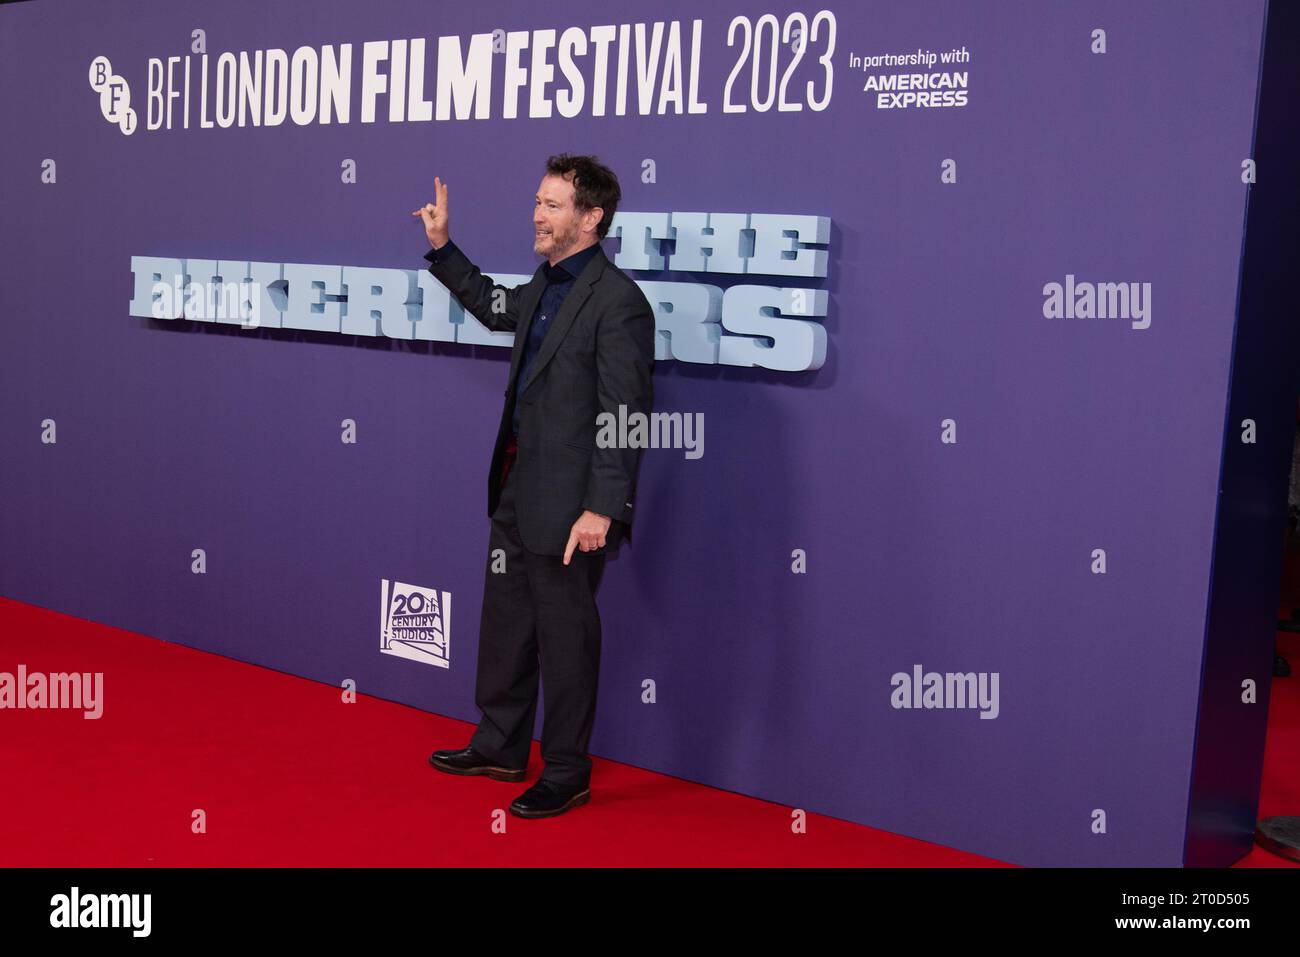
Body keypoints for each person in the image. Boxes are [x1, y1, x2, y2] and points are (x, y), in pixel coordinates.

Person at [412, 155, 655, 818]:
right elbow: (494, 308)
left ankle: (568, 770)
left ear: (591, 216)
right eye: (539, 202)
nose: (537, 214)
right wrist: (443, 248)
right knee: (507, 625)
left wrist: (603, 505)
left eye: (551, 204)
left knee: (566, 638)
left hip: (574, 504)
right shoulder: (546, 284)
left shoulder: (619, 303)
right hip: (517, 487)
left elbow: (625, 413)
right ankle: (499, 745)